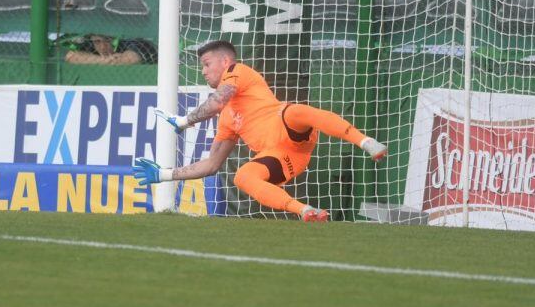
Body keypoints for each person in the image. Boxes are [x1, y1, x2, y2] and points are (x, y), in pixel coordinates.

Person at [131, 40, 387, 223]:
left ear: (226, 61)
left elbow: (217, 101)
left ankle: (365, 141)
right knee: (242, 177)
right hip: (283, 157)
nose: (204, 70)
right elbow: (211, 165)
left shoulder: (238, 72)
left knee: (296, 111)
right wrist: (163, 174)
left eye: (207, 64)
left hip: (289, 127)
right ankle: (306, 211)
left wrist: (185, 121)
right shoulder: (227, 119)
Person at [64, 34, 157, 65]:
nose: (103, 47)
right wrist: (104, 60)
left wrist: (90, 59)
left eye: (107, 40)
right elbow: (70, 56)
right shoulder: (90, 43)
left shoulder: (131, 40)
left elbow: (131, 59)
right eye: (97, 42)